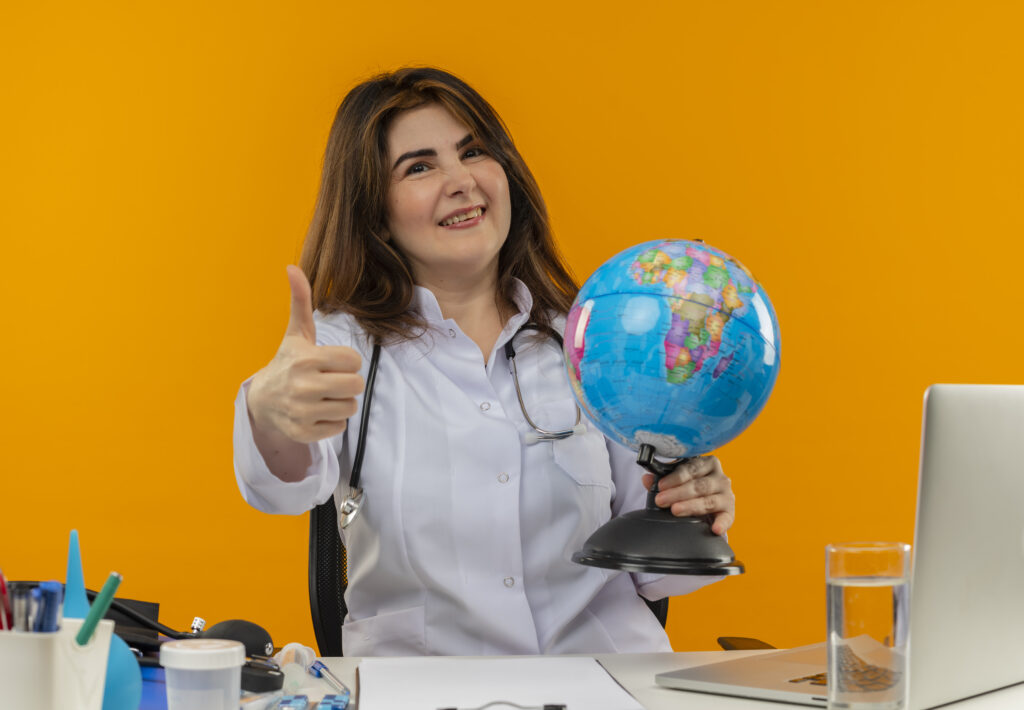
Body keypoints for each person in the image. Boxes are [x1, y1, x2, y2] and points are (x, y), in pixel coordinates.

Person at [233, 67, 736, 657]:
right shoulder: (341, 347)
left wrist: (693, 512)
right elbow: (282, 490)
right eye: (419, 167)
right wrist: (268, 413)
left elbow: (658, 573)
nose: (461, 181)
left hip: (604, 677)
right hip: (426, 688)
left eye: (473, 152)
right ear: (375, 214)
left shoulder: (593, 341)